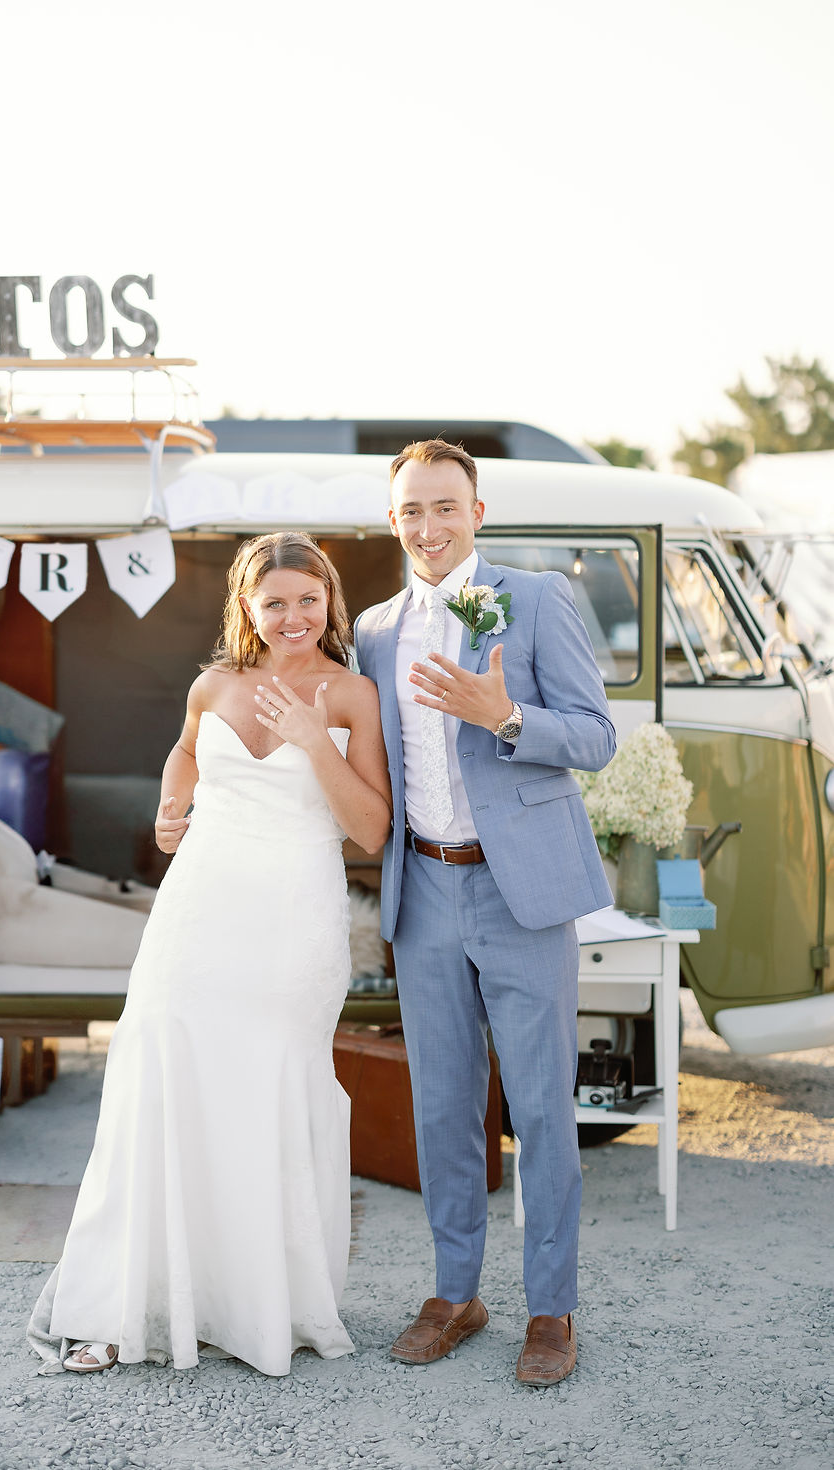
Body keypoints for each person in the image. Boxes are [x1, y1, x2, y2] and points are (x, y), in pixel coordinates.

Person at [28, 531, 391, 1378]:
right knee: (161, 1075)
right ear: (247, 608)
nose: (293, 616)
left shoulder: (355, 695)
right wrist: (169, 807)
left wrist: (310, 736)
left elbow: (370, 828)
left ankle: (259, 1309)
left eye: (309, 599)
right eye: (275, 602)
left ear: (330, 602)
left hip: (293, 917)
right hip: (197, 912)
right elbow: (187, 748)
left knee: (265, 1089)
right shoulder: (214, 685)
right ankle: (122, 1307)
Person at [354, 440, 616, 1386]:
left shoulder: (535, 599)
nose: (429, 526)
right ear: (394, 520)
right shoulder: (375, 628)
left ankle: (552, 1311)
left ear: (477, 511)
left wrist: (504, 716)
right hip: (421, 889)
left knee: (544, 1107)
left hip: (520, 893)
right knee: (441, 1108)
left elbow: (595, 738)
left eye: (446, 507)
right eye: (412, 510)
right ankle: (456, 1292)